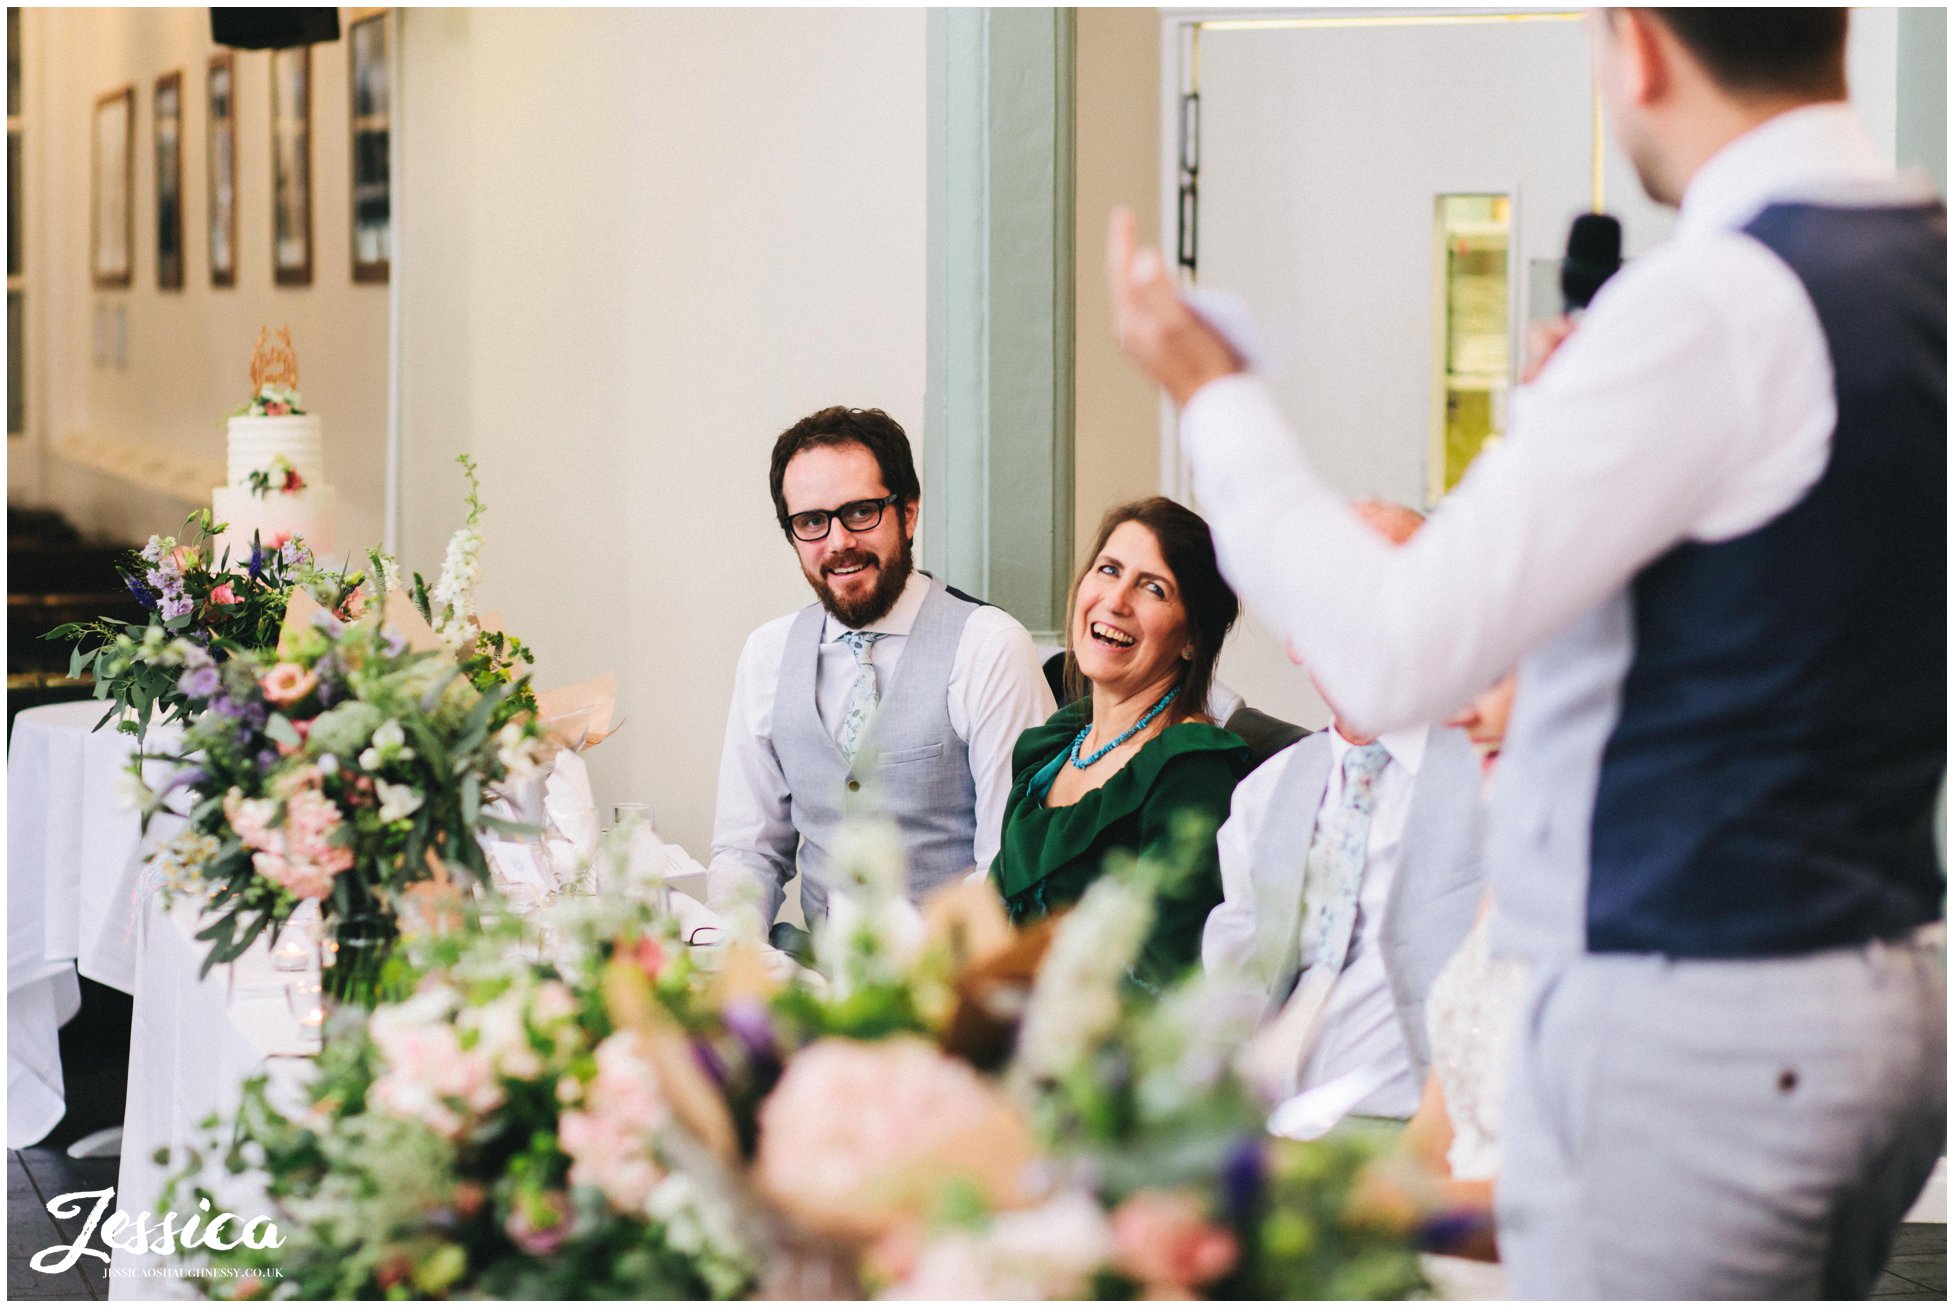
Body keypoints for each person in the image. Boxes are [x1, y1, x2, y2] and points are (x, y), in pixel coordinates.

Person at [1110, 10, 1944, 1298]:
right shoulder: (1915, 260)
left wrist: (1209, 392)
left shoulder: (1716, 301)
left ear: (1641, 45)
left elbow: (1394, 656)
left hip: (1700, 1021)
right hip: (1868, 986)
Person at [706, 406, 1055, 945]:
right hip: (814, 978)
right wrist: (735, 956)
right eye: (812, 522)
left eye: (861, 512)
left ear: (908, 514)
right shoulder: (767, 655)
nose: (838, 542)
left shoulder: (989, 647)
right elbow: (748, 851)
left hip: (953, 984)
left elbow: (1009, 867)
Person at [1202, 502, 1485, 1125]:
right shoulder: (1263, 794)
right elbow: (1234, 977)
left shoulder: (1498, 774)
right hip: (1272, 1130)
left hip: (1430, 1130)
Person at [989, 497, 1250, 987]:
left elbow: (1159, 979)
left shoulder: (1193, 773)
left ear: (1192, 637)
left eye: (1154, 588)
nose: (1116, 600)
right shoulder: (1054, 745)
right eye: (1108, 570)